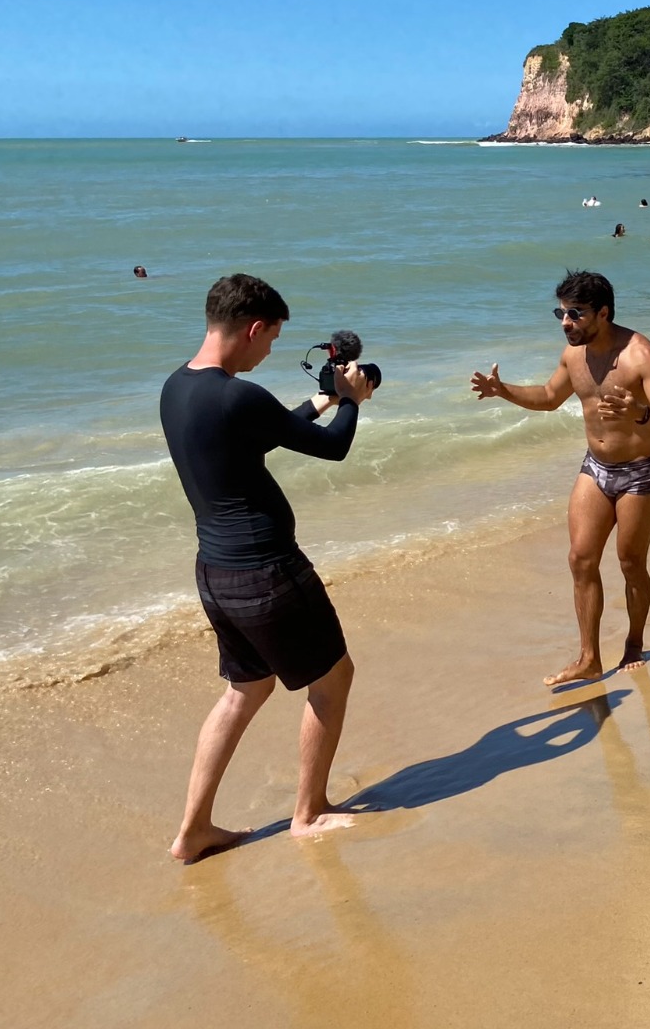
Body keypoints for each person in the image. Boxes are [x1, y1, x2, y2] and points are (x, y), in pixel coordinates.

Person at [159, 273, 375, 862]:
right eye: (273, 339)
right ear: (254, 328)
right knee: (333, 679)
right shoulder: (240, 396)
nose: (270, 351)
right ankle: (310, 812)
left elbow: (256, 435)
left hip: (215, 573)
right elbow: (332, 448)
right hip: (267, 572)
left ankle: (193, 830)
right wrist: (352, 402)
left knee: (245, 690)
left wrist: (323, 401)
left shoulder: (178, 388)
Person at [469, 271, 650, 686]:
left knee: (630, 562)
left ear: (603, 313)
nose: (566, 322)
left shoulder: (642, 356)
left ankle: (634, 643)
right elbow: (550, 397)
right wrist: (503, 390)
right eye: (561, 314)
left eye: (575, 314)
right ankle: (589, 659)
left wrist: (639, 413)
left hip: (640, 471)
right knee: (580, 559)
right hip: (596, 467)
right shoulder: (574, 356)